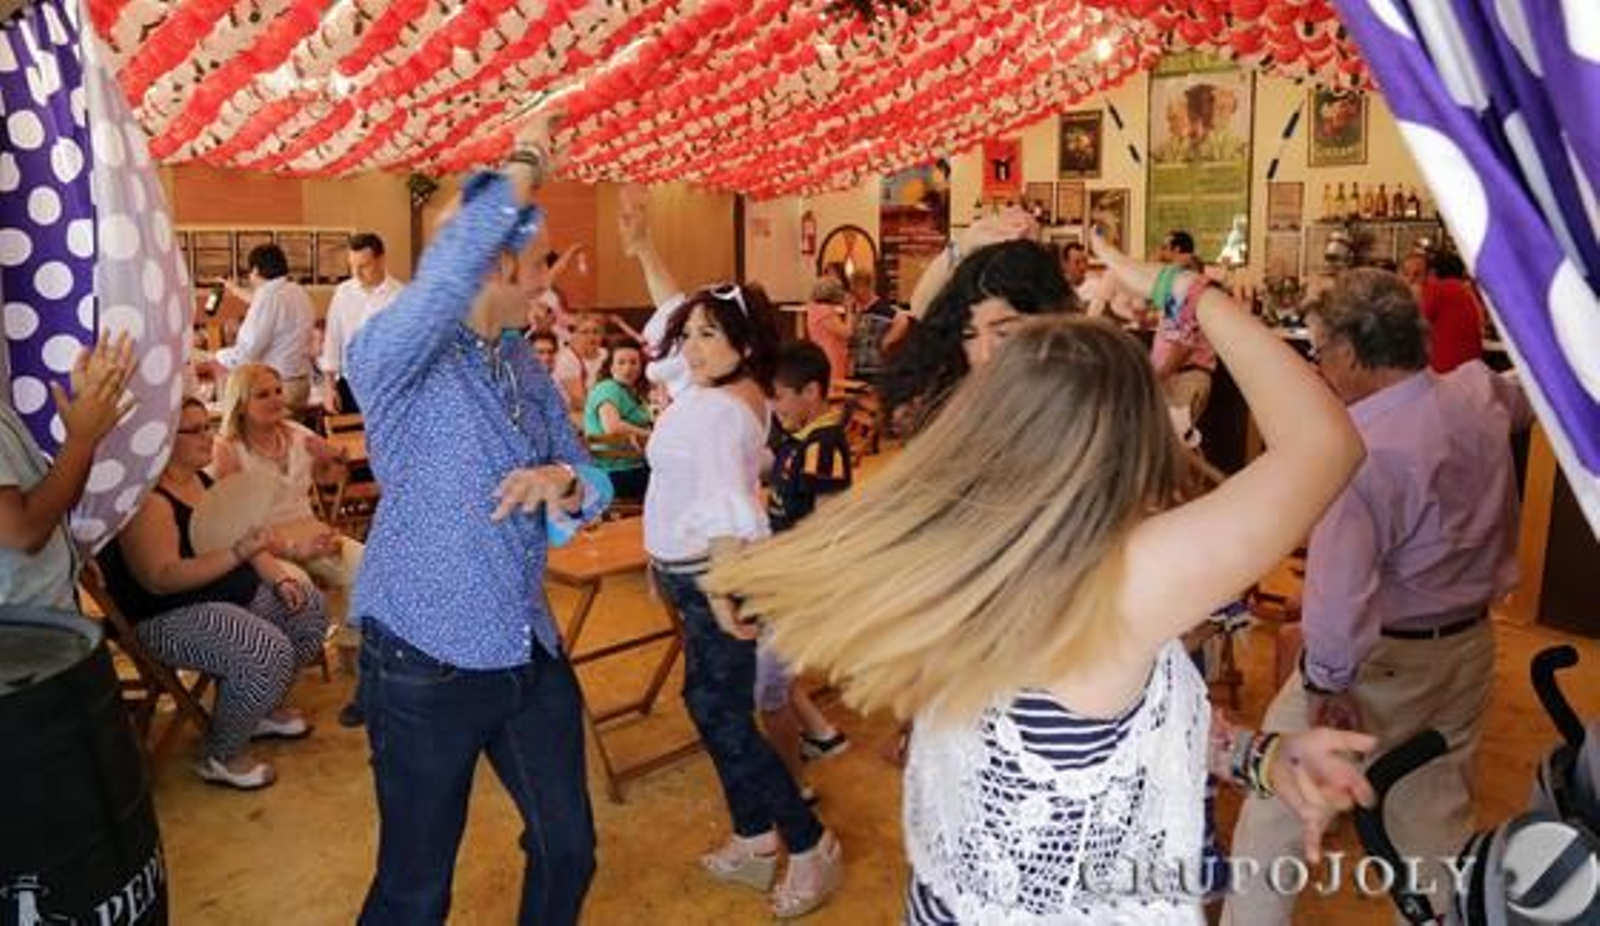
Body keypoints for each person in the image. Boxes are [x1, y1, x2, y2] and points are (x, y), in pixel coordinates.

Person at [709, 232, 1375, 922]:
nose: (985, 351)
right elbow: (1326, 443)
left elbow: (1114, 720)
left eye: (1006, 334)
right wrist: (1179, 288)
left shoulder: (970, 537)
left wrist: (1255, 758)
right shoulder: (1121, 580)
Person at [345, 119, 611, 925]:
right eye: (538, 266)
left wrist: (562, 479)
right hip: (425, 659)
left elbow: (592, 481)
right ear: (495, 259)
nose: (548, 284)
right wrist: (527, 161)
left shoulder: (522, 360)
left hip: (526, 646)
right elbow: (454, 261)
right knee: (415, 888)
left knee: (569, 848)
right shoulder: (392, 354)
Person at [1225, 269, 1532, 923]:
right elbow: (1526, 398)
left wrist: (1329, 683)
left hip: (1382, 662)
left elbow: (1338, 597)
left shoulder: (1359, 452)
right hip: (1469, 645)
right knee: (1433, 813)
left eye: (1321, 349)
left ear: (1352, 352)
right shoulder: (1478, 393)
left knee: (1276, 815)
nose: (1318, 364)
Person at [644, 283, 843, 919]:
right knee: (711, 709)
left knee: (725, 717)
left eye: (709, 334)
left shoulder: (726, 409)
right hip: (693, 574)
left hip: (715, 580)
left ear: (743, 343)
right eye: (691, 333)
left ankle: (810, 845)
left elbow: (728, 500)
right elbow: (675, 310)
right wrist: (644, 245)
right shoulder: (712, 391)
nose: (692, 346)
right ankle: (757, 839)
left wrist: (725, 585)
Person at [98, 397, 330, 790]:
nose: (208, 437)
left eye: (208, 426)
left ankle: (257, 708)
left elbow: (246, 541)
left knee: (309, 611)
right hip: (165, 616)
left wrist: (282, 580)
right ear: (163, 441)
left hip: (222, 595)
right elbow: (162, 578)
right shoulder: (149, 501)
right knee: (264, 651)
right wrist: (237, 553)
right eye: (195, 430)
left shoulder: (201, 482)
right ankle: (220, 754)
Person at [758, 341, 854, 790]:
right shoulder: (798, 439)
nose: (773, 406)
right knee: (779, 668)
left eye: (779, 396)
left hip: (797, 581)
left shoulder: (825, 445)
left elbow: (827, 523)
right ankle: (822, 734)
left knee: (771, 677)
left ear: (811, 391)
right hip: (781, 571)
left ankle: (793, 786)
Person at [0, 333, 134, 609]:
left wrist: (86, 431)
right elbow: (23, 533)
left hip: (45, 617)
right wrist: (81, 439)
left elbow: (58, 502)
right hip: (23, 631)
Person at [211, 364, 360, 586]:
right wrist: (294, 550)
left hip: (310, 532)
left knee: (367, 570)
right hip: (263, 549)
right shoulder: (227, 449)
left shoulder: (298, 433)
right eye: (263, 395)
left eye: (278, 391)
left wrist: (335, 459)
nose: (276, 399)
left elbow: (327, 479)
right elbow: (234, 526)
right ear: (240, 405)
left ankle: (346, 620)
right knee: (301, 587)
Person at [215, 244, 316, 411]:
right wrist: (233, 289)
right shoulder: (297, 291)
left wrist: (218, 357)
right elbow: (262, 304)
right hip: (300, 383)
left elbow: (248, 350)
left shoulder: (268, 297)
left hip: (277, 387)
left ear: (255, 270)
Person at [322, 233, 404, 416]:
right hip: (348, 387)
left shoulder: (401, 297)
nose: (356, 274)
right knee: (348, 442)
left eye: (364, 266)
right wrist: (329, 388)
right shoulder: (343, 293)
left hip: (386, 389)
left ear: (381, 260)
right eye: (352, 266)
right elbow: (332, 341)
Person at [1151, 229, 1218, 426]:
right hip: (1174, 377)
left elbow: (1183, 345)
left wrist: (1157, 377)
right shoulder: (1176, 298)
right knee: (1179, 443)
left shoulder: (1190, 295)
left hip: (1184, 378)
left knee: (1178, 441)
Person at [582, 338, 652, 501]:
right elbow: (612, 426)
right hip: (615, 473)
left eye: (634, 362)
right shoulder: (608, 387)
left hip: (631, 467)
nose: (628, 368)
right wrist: (650, 435)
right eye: (621, 362)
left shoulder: (629, 391)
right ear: (611, 366)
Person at [1418, 250, 1486, 373]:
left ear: (1433, 272)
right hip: (1472, 366)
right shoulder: (1467, 290)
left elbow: (1416, 323)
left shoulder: (1437, 289)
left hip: (1445, 368)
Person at [846, 269, 909, 384]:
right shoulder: (859, 309)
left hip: (876, 369)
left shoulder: (880, 307)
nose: (855, 293)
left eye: (857, 288)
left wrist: (887, 340)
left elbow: (903, 321)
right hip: (860, 367)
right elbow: (851, 334)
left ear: (868, 287)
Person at [802, 277, 854, 384]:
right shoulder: (824, 311)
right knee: (834, 390)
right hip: (830, 356)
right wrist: (850, 309)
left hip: (823, 353)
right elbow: (847, 333)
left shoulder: (814, 308)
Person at [553, 313, 609, 411]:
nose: (591, 336)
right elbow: (580, 401)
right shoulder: (567, 359)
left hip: (601, 410)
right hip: (571, 412)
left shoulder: (605, 354)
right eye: (585, 332)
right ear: (574, 335)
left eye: (596, 332)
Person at [1061, 239, 1096, 306]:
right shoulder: (1059, 287)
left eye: (1085, 261)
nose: (1082, 266)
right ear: (1065, 265)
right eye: (1077, 262)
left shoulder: (1096, 287)